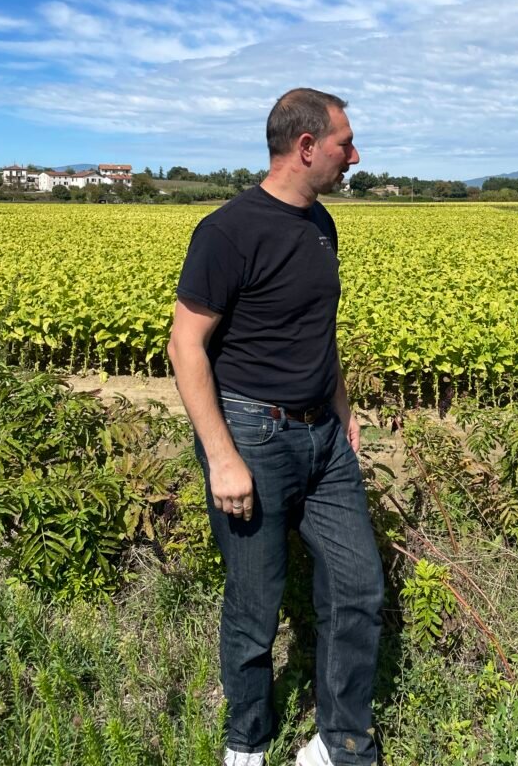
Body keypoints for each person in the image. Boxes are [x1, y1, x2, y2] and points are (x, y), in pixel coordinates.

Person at [168, 88, 384, 766]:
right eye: (346, 143)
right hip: (252, 437)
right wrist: (222, 457)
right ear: (307, 146)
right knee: (254, 604)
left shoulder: (322, 223)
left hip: (325, 438)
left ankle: (339, 744)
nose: (356, 155)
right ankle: (247, 744)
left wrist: (342, 409)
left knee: (359, 587)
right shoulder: (228, 231)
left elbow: (318, 330)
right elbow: (185, 345)